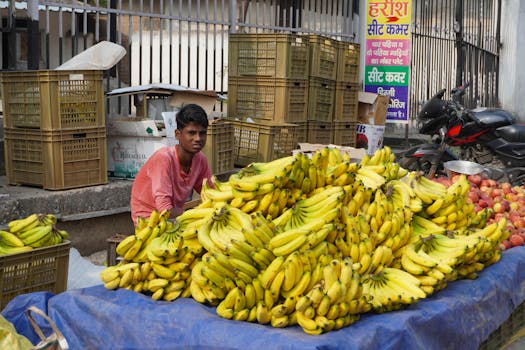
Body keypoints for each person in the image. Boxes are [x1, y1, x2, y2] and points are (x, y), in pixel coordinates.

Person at [130, 103, 212, 224]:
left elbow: (211, 193)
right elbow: (164, 209)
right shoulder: (163, 158)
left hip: (173, 218)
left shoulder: (201, 160)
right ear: (178, 134)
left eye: (202, 133)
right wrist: (196, 215)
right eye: (191, 133)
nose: (198, 139)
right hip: (148, 221)